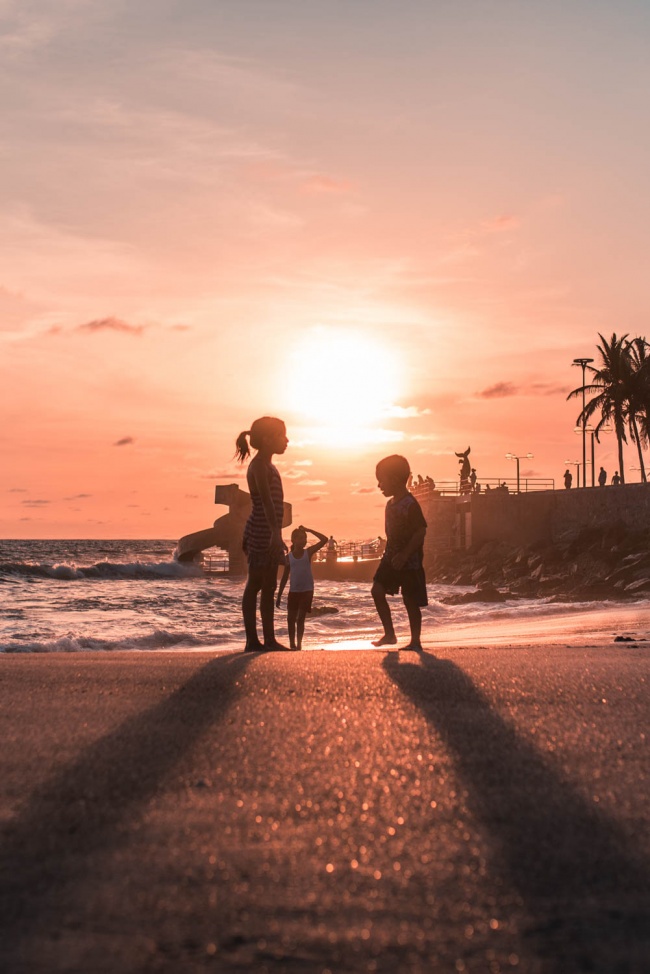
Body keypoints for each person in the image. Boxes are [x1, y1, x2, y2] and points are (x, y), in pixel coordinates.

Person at [235, 416, 290, 651]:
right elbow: (266, 503)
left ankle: (268, 639)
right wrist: (276, 534)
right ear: (267, 439)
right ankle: (252, 640)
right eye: (282, 435)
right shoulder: (258, 466)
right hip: (261, 530)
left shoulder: (269, 466)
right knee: (255, 583)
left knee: (269, 586)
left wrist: (276, 533)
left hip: (268, 530)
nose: (287, 440)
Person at [371, 455, 428, 651]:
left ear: (395, 479)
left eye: (381, 480)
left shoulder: (410, 504)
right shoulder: (390, 504)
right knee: (377, 591)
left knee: (410, 600)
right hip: (390, 558)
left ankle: (415, 641)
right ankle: (389, 633)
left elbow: (420, 531)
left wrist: (405, 554)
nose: (379, 485)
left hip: (409, 560)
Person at [276, 526, 327, 650]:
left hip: (307, 591)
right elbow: (284, 578)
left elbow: (324, 539)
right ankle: (292, 644)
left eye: (305, 538)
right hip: (294, 591)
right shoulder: (289, 558)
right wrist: (278, 596)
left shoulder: (308, 553)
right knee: (290, 619)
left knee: (300, 619)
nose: (303, 540)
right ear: (293, 540)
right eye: (300, 538)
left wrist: (310, 530)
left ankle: (299, 645)